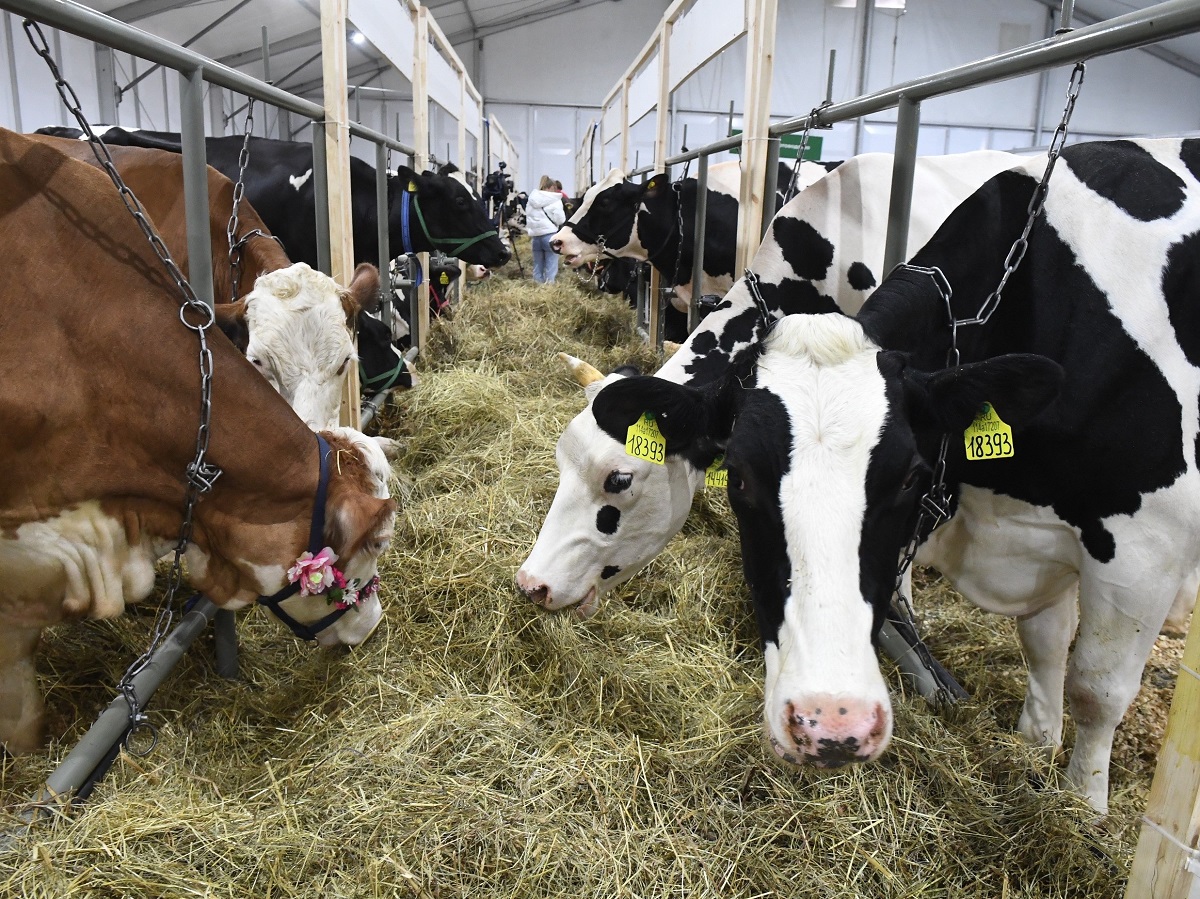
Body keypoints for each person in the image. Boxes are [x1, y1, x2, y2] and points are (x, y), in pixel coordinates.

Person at [526, 175, 566, 284]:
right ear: (551, 187)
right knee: (551, 263)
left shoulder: (532, 199)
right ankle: (549, 286)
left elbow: (528, 217)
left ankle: (537, 285)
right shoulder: (555, 200)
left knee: (537, 263)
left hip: (535, 237)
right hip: (550, 235)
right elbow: (560, 220)